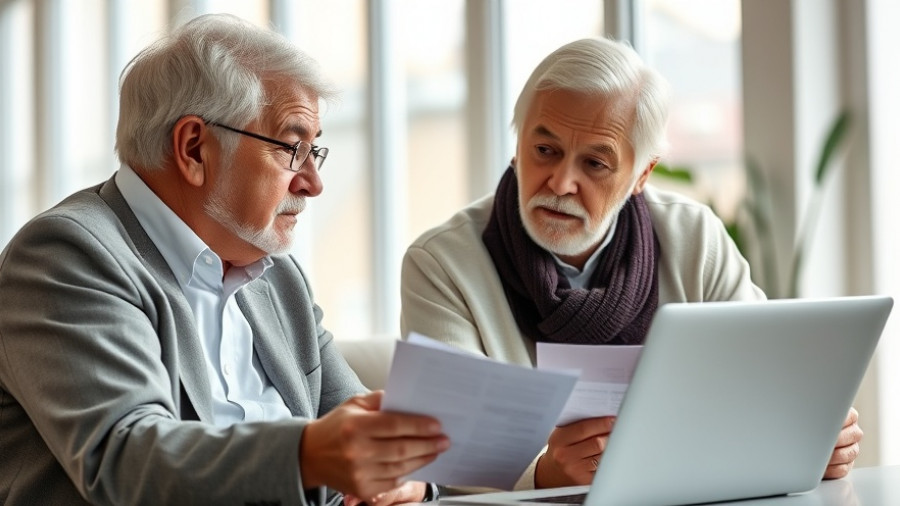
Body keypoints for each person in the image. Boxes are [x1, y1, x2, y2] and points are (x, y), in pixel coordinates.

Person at [0, 13, 447, 506]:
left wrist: (408, 479)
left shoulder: (278, 278)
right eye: (291, 148)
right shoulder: (66, 255)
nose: (313, 183)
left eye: (313, 151)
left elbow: (363, 433)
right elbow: (126, 460)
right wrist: (307, 455)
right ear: (194, 148)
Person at [399, 37, 862, 490]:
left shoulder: (695, 239)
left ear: (642, 174)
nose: (561, 183)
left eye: (595, 164)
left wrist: (808, 438)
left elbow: (765, 389)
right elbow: (444, 452)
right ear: (518, 147)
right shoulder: (441, 264)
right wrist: (543, 475)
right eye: (545, 151)